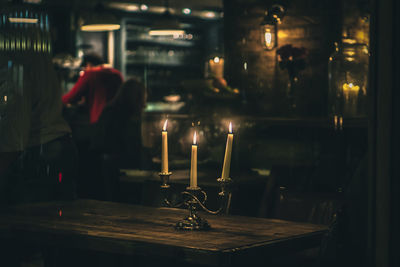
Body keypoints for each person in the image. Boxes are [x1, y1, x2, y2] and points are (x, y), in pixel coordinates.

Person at [62, 53, 123, 124]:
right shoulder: (117, 74)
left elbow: (72, 97)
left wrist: (57, 100)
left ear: (88, 64)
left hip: (99, 118)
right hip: (119, 118)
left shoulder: (90, 74)